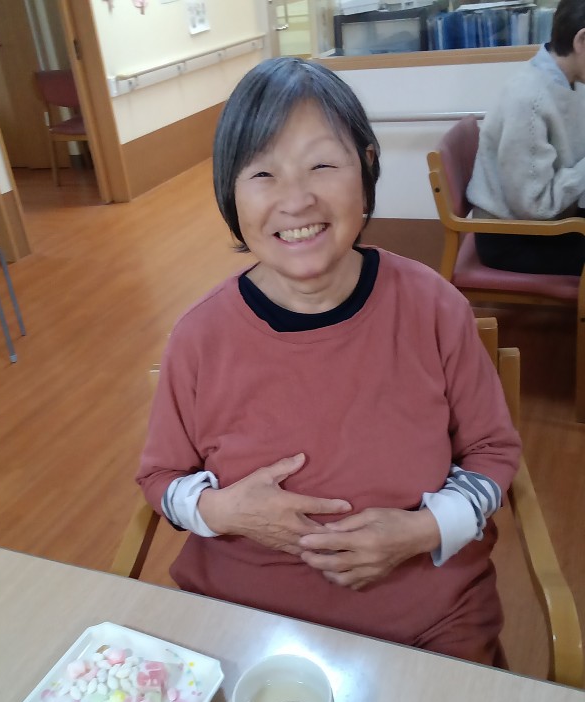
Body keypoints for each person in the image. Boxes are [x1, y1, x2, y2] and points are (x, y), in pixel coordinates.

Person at [137, 57, 521, 667]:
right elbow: (161, 479)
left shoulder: (433, 306)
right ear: (230, 192)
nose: (296, 200)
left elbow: (493, 455)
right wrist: (222, 510)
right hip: (238, 622)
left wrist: (419, 532)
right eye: (263, 173)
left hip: (427, 623)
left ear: (366, 167)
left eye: (321, 165)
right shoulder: (199, 337)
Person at [467, 0, 585, 276]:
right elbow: (535, 206)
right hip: (512, 237)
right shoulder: (529, 99)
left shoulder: (571, 81)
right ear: (582, 40)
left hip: (552, 218)